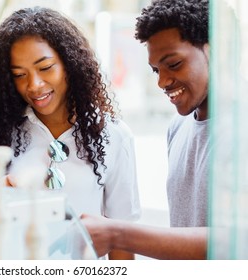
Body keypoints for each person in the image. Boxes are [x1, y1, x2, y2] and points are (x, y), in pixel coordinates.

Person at [0, 7, 140, 259]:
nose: (34, 85)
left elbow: (122, 240)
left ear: (69, 64)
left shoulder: (114, 136)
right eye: (19, 75)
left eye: (45, 68)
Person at [81, 0, 210, 260]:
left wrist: (119, 234)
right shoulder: (178, 127)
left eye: (173, 64)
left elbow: (239, 237)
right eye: (155, 70)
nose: (162, 81)